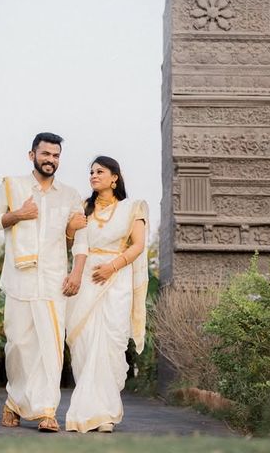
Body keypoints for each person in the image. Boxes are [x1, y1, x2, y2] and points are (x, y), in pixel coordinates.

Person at [0, 132, 86, 432]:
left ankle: (46, 411)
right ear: (32, 156)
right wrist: (16, 214)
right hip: (19, 280)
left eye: (55, 156)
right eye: (45, 154)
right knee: (18, 345)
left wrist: (76, 272)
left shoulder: (69, 195)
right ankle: (13, 403)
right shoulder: (11, 186)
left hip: (54, 281)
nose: (51, 160)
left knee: (51, 347)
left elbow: (79, 240)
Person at [64, 156, 149, 433]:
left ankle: (105, 414)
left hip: (116, 280)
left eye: (99, 171)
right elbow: (74, 242)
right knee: (85, 343)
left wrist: (112, 267)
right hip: (87, 278)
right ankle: (90, 412)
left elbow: (137, 246)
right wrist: (71, 229)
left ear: (115, 177)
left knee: (111, 342)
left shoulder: (132, 208)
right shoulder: (83, 208)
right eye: (90, 172)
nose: (93, 175)